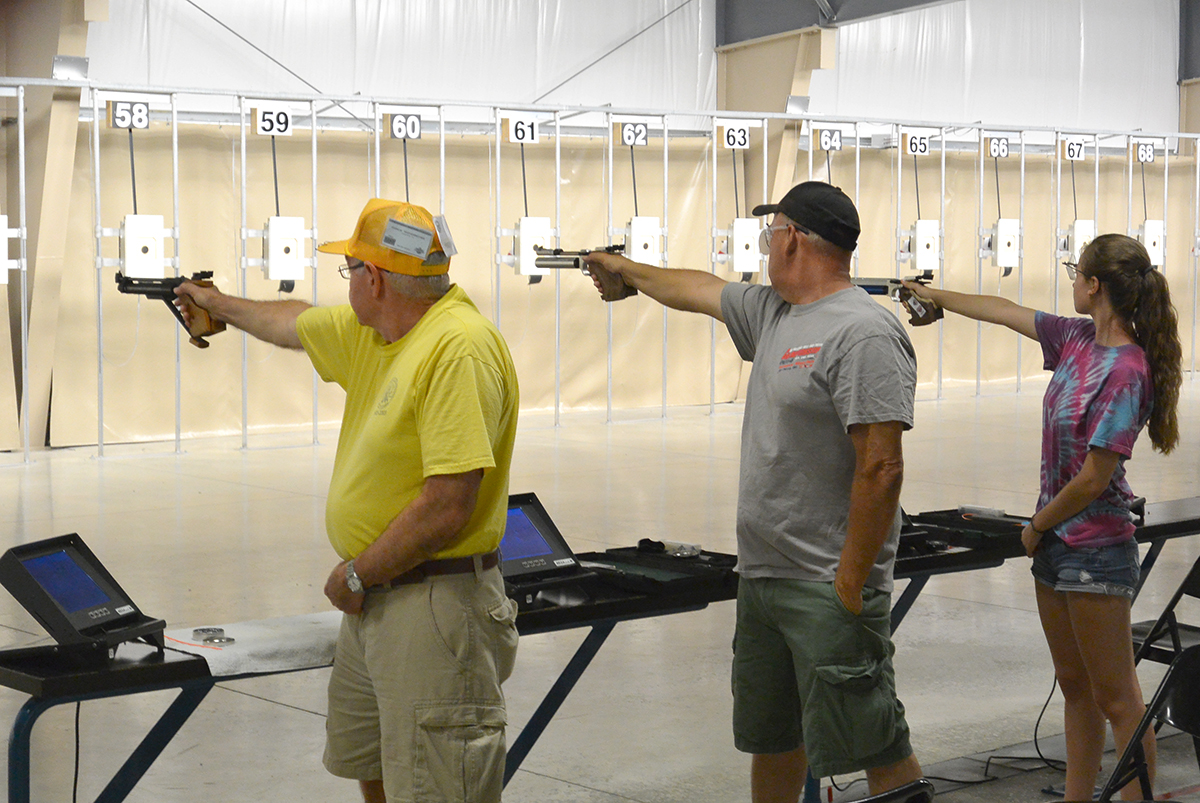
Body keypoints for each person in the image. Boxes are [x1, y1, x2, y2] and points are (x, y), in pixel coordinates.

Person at [586, 181, 925, 803]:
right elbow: (694, 288)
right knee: (774, 742)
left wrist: (850, 584)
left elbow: (882, 469)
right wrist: (624, 269)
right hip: (764, 578)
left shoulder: (864, 332)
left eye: (773, 232)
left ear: (792, 237)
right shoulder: (776, 312)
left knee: (877, 745)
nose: (767, 244)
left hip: (827, 584)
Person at [175, 199, 521, 803]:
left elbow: (448, 505)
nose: (348, 282)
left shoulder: (455, 348)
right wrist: (217, 303)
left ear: (377, 279)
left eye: (351, 269)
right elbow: (292, 322)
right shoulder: (380, 333)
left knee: (440, 783)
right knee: (382, 765)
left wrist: (358, 574)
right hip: (383, 599)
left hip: (432, 604)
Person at [901, 233, 1182, 801]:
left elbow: (1094, 478)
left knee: (1119, 699)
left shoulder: (1127, 369)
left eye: (1077, 272)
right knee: (1075, 688)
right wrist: (930, 295)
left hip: (1095, 547)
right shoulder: (1076, 338)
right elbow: (1004, 312)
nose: (1072, 280)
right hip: (1057, 546)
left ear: (1095, 285)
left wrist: (1035, 526)